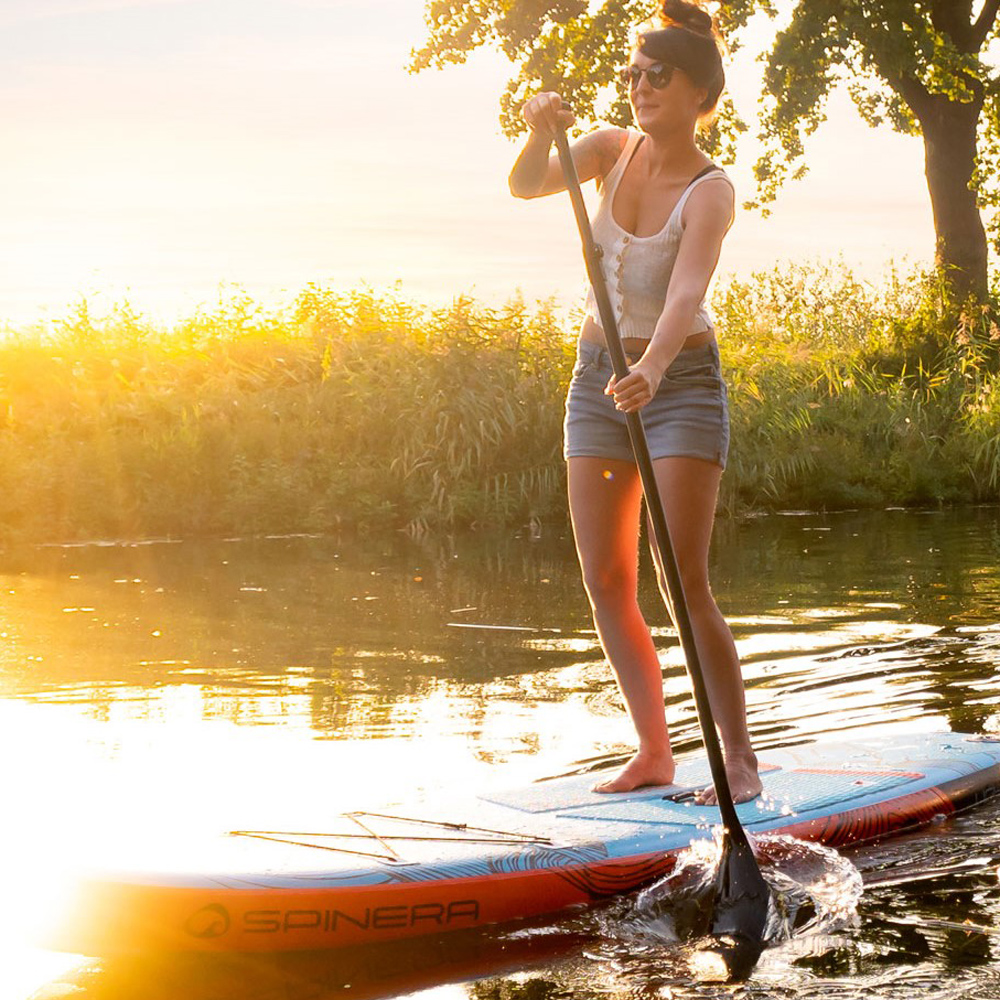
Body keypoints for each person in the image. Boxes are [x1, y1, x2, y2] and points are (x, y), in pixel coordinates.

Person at [508, 0, 761, 803]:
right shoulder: (608, 151)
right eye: (633, 74)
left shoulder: (711, 191)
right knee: (606, 576)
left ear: (698, 92)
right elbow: (523, 186)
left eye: (658, 75)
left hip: (679, 384)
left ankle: (742, 760)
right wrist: (537, 125)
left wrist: (651, 367)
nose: (639, 85)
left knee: (682, 580)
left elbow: (687, 291)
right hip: (596, 381)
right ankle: (654, 751)